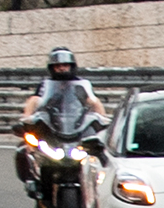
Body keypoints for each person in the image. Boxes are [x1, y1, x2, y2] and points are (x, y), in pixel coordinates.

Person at [15, 47, 106, 194]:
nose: (62, 68)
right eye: (58, 66)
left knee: (100, 151)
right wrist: (27, 119)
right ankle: (33, 180)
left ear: (71, 66)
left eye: (65, 65)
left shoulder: (81, 84)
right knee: (24, 148)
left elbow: (93, 101)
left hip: (76, 125)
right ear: (52, 68)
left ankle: (99, 185)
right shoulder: (46, 85)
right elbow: (34, 101)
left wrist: (102, 120)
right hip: (52, 125)